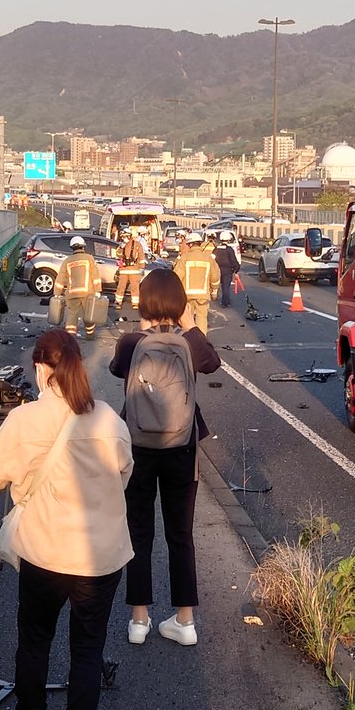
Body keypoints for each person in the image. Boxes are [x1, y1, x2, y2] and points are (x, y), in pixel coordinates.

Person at [0, 328, 133, 710]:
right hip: (101, 558)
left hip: (45, 553)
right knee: (87, 648)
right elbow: (124, 473)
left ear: (43, 369)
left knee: (35, 641)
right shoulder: (108, 419)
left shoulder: (24, 420)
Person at [108, 268, 222, 647]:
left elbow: (115, 370)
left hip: (138, 447)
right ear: (179, 303)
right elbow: (212, 362)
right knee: (181, 535)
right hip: (181, 450)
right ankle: (185, 622)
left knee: (139, 532)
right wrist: (187, 324)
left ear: (144, 303)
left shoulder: (130, 343)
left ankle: (139, 620)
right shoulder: (190, 345)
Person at [52, 236, 104, 338]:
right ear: (83, 246)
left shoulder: (67, 261)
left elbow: (60, 278)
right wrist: (98, 290)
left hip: (72, 294)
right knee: (88, 315)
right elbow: (95, 276)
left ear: (72, 248)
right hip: (87, 293)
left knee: (72, 316)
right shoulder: (89, 259)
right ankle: (90, 335)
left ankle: (70, 338)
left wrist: (57, 293)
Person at [173, 232, 216, 332]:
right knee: (202, 319)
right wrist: (214, 289)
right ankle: (201, 340)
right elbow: (215, 276)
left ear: (190, 244)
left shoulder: (185, 258)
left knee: (187, 319)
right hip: (203, 295)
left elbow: (177, 276)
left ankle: (189, 339)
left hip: (187, 296)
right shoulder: (208, 258)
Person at [114, 229, 147, 314]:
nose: (123, 238)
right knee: (121, 287)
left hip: (134, 269)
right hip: (124, 269)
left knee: (135, 288)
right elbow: (117, 255)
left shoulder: (137, 245)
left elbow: (141, 257)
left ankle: (135, 303)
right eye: (122, 237)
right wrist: (121, 247)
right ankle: (118, 302)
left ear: (129, 236)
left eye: (125, 236)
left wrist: (141, 268)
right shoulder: (122, 246)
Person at [214, 230, 241, 308]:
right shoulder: (229, 249)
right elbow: (233, 260)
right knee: (226, 286)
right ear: (229, 239)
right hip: (227, 270)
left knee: (217, 284)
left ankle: (215, 296)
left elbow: (213, 259)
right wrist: (236, 269)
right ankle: (225, 302)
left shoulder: (216, 249)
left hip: (217, 269)